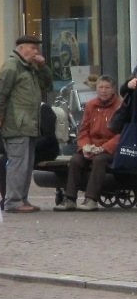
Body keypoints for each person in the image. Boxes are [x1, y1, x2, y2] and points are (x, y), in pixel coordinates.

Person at [0, 35, 53, 213]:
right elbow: (0, 94)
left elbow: (47, 84)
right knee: (18, 163)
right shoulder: (12, 66)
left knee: (26, 163)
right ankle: (13, 201)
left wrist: (43, 67)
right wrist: (0, 117)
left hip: (30, 123)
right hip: (16, 123)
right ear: (22, 48)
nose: (36, 51)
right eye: (33, 48)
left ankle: (22, 199)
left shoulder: (31, 67)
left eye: (36, 48)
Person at [54, 75, 122, 212]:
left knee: (99, 160)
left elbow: (121, 134)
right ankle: (70, 199)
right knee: (75, 160)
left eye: (107, 88)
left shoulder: (120, 106)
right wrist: (84, 146)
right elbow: (84, 130)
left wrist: (103, 148)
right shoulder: (91, 105)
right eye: (101, 87)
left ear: (113, 90)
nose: (104, 91)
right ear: (96, 88)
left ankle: (91, 199)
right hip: (91, 145)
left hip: (110, 149)